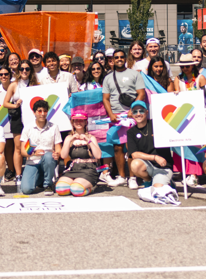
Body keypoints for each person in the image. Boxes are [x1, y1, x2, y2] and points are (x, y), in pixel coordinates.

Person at [101, 49, 145, 186]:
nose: (119, 59)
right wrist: (111, 114)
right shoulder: (108, 77)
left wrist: (134, 110)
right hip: (116, 117)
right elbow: (106, 99)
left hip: (132, 116)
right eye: (116, 58)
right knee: (117, 147)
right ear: (112, 60)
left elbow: (141, 93)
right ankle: (122, 176)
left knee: (131, 147)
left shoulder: (134, 74)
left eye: (121, 57)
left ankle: (132, 177)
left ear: (125, 59)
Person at [126, 99, 174, 193]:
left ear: (147, 112)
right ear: (132, 114)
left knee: (158, 191)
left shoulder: (157, 124)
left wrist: (175, 96)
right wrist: (155, 157)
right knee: (135, 164)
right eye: (135, 111)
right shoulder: (131, 132)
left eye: (141, 111)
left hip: (163, 167)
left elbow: (171, 117)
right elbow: (134, 154)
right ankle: (148, 180)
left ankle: (168, 182)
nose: (138, 114)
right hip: (148, 166)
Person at [19, 99, 61, 195]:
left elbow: (58, 147)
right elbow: (22, 151)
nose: (42, 114)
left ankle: (48, 185)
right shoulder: (27, 128)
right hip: (32, 161)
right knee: (26, 190)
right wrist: (33, 153)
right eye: (39, 111)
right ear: (34, 112)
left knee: (48, 156)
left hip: (48, 160)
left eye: (45, 111)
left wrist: (57, 154)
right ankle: (41, 178)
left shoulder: (54, 127)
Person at [56, 110, 102, 196]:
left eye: (81, 120)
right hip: (73, 168)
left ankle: (91, 188)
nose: (78, 122)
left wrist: (89, 141)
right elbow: (63, 155)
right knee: (60, 189)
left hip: (88, 169)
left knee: (76, 189)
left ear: (85, 122)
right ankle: (76, 183)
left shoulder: (91, 137)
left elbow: (98, 156)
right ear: (72, 122)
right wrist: (70, 140)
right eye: (76, 120)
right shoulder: (69, 137)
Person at [3, 61, 33, 178]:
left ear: (31, 70)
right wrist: (15, 105)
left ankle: (33, 172)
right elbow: (5, 103)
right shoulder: (13, 85)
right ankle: (19, 174)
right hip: (17, 117)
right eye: (22, 69)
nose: (24, 71)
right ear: (18, 71)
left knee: (32, 145)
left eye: (27, 69)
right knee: (18, 147)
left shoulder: (36, 84)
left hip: (32, 117)